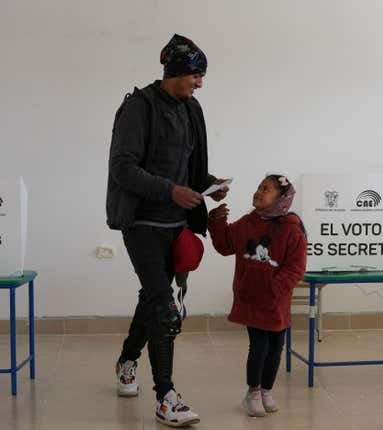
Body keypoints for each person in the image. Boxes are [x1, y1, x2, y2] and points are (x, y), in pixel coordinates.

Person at [106, 33, 228, 427]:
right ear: (176, 71)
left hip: (177, 226)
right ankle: (166, 397)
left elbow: (187, 167)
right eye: (196, 75)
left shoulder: (191, 109)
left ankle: (127, 359)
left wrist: (208, 183)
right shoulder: (138, 108)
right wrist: (170, 191)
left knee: (152, 299)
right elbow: (123, 168)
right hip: (141, 223)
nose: (200, 83)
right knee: (165, 310)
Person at [208, 174, 307, 417]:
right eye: (259, 187)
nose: (259, 192)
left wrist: (274, 287)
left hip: (276, 301)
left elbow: (296, 267)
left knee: (276, 347)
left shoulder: (292, 228)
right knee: (259, 346)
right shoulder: (247, 223)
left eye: (267, 190)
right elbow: (225, 246)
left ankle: (265, 390)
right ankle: (252, 392)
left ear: (282, 199)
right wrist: (217, 223)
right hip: (252, 299)